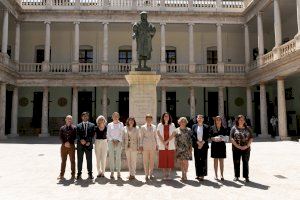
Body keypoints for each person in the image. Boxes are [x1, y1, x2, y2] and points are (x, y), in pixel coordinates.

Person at [230, 115, 253, 182]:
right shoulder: (234, 128)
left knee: (245, 162)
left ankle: (246, 177)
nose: (242, 121)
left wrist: (247, 146)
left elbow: (251, 137)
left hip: (246, 148)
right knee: (236, 162)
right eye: (240, 119)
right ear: (237, 120)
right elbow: (231, 138)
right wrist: (238, 146)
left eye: (243, 119)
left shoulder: (248, 128)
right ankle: (236, 176)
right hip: (236, 148)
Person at [157, 112, 176, 180]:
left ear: (169, 117)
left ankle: (169, 174)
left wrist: (167, 142)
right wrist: (164, 143)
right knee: (163, 160)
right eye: (165, 116)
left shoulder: (172, 125)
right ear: (163, 117)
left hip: (170, 145)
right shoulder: (159, 125)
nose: (166, 117)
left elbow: (173, 134)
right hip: (162, 145)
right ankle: (165, 175)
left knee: (170, 160)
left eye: (167, 116)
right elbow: (158, 134)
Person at [76, 112, 95, 180]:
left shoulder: (92, 125)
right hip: (80, 145)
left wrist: (88, 142)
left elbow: (92, 135)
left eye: (86, 116)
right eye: (84, 116)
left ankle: (90, 173)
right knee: (79, 160)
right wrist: (81, 140)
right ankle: (79, 173)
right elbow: (77, 135)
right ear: (81, 117)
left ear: (88, 117)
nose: (85, 117)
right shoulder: (78, 126)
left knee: (89, 160)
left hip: (88, 145)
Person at [191, 114, 210, 181]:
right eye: (198, 118)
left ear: (203, 119)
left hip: (204, 146)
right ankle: (198, 174)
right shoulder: (194, 126)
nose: (200, 119)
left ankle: (202, 175)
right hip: (196, 146)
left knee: (203, 160)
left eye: (201, 118)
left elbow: (208, 135)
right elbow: (193, 135)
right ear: (197, 119)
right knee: (197, 160)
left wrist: (202, 142)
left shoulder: (206, 126)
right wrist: (198, 142)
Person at [57, 115, 77, 180]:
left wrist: (69, 142)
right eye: (68, 119)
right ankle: (61, 174)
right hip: (63, 146)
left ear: (72, 120)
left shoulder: (74, 128)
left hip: (71, 146)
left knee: (72, 161)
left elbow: (75, 136)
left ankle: (73, 175)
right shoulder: (62, 128)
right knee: (63, 161)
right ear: (65, 120)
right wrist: (65, 142)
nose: (69, 120)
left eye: (70, 119)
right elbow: (60, 136)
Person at [139, 114, 158, 181]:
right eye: (147, 118)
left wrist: (157, 145)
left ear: (152, 119)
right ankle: (146, 174)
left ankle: (151, 174)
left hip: (153, 145)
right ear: (146, 119)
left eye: (150, 118)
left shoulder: (154, 127)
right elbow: (141, 137)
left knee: (152, 161)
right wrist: (141, 145)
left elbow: (156, 136)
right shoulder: (142, 127)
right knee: (145, 161)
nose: (149, 120)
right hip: (145, 145)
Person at [210, 116, 228, 181]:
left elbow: (227, 137)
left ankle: (222, 175)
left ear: (221, 121)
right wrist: (214, 138)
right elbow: (210, 136)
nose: (218, 121)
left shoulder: (224, 128)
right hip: (214, 145)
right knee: (215, 161)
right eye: (217, 120)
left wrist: (223, 138)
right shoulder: (212, 127)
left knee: (221, 161)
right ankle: (215, 174)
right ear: (215, 121)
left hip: (222, 146)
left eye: (219, 120)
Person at [107, 112, 124, 179]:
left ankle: (118, 172)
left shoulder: (121, 124)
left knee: (118, 158)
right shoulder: (109, 124)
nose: (115, 117)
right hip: (111, 142)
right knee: (111, 157)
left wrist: (118, 140)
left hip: (118, 142)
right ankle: (112, 172)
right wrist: (112, 140)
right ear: (112, 117)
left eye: (117, 116)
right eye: (114, 116)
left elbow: (122, 133)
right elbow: (108, 133)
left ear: (119, 117)